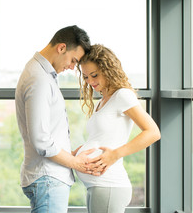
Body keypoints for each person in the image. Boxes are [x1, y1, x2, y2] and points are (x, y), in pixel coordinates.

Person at [15, 25, 96, 213]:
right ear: (61, 48)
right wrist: (76, 163)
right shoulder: (39, 79)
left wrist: (71, 153)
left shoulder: (42, 74)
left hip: (47, 178)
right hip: (48, 178)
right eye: (73, 60)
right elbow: (41, 141)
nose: (71, 67)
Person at [75, 44, 161, 213]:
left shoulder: (122, 95)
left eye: (94, 75)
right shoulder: (104, 99)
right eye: (85, 77)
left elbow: (153, 132)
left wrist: (115, 154)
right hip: (98, 185)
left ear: (107, 69)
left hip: (109, 184)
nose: (90, 82)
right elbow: (100, 138)